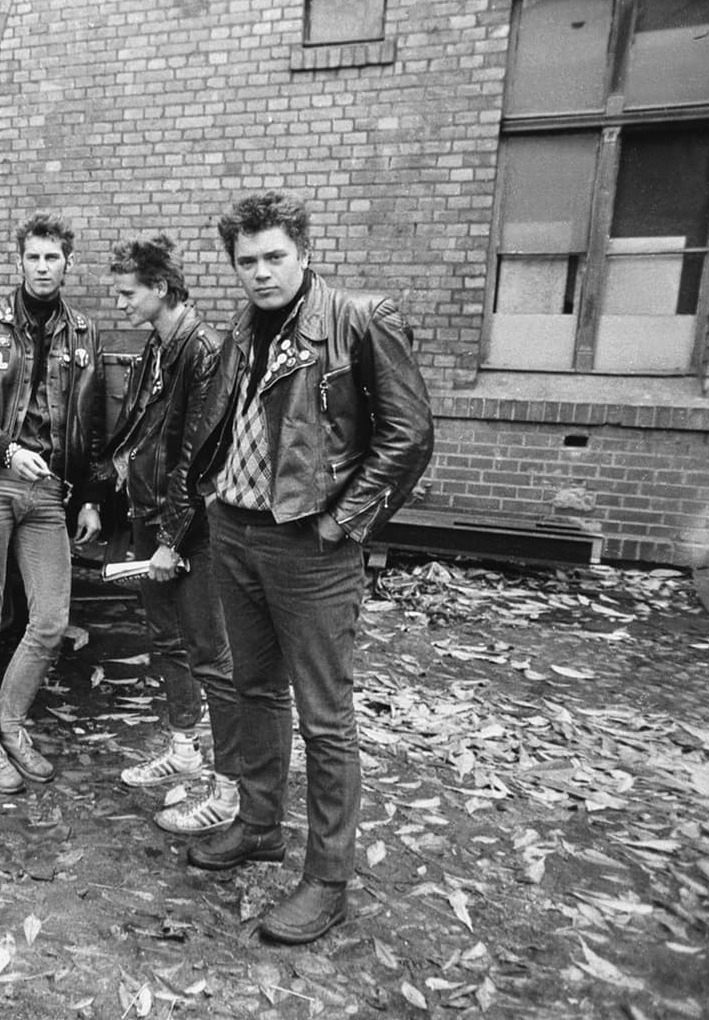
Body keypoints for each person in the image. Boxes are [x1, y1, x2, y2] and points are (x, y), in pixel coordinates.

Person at [184, 191, 433, 944]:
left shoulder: (358, 321)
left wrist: (341, 521)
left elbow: (409, 437)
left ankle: (328, 878)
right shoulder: (244, 326)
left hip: (309, 545)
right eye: (246, 261)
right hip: (236, 532)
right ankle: (259, 824)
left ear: (302, 251)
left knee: (326, 717)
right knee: (255, 687)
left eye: (274, 258)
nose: (260, 273)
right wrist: (208, 501)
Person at [0, 212, 105, 793]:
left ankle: (11, 723)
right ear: (19, 261)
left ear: (67, 263)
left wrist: (88, 497)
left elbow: (91, 422)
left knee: (51, 617)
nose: (42, 267)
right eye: (33, 257)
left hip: (49, 493)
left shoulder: (83, 332)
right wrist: (7, 450)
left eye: (52, 258)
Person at [97, 235, 241, 835]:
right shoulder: (157, 347)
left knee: (213, 656)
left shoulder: (202, 350)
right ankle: (185, 750)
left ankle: (229, 790)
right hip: (151, 516)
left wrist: (172, 540)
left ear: (161, 288)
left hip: (187, 529)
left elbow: (199, 457)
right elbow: (137, 437)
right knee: (167, 640)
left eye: (130, 292)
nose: (121, 301)